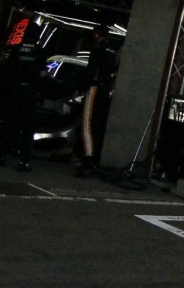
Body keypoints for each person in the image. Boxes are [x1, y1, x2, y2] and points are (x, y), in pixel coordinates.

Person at [0, 7, 47, 172]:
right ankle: (23, 161)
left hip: (14, 90)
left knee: (10, 124)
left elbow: (7, 69)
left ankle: (2, 156)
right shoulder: (39, 52)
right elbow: (42, 74)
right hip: (30, 92)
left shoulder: (16, 49)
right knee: (27, 127)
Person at [75, 24, 117, 178]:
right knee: (98, 123)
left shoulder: (98, 49)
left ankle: (87, 158)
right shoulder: (112, 50)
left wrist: (82, 86)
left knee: (87, 123)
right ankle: (92, 156)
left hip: (95, 88)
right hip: (105, 90)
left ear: (98, 35)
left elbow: (92, 70)